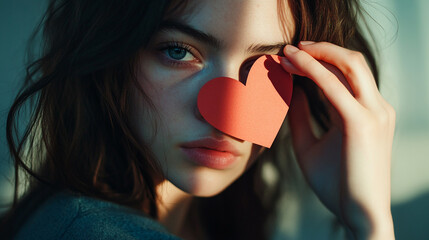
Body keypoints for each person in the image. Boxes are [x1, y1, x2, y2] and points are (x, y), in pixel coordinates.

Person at [1, 0, 396, 239]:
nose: (226, 115)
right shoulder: (89, 232)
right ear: (112, 57)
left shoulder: (221, 219)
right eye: (177, 51)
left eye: (266, 65)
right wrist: (372, 225)